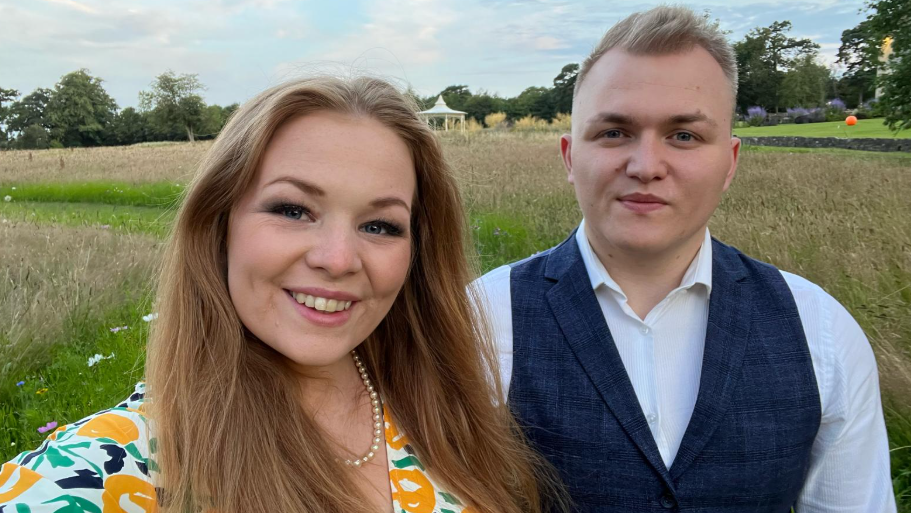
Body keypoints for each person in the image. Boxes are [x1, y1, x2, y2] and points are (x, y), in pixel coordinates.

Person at [0, 77, 561, 513]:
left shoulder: (453, 419)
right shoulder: (116, 464)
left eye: (381, 225)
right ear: (219, 226)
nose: (338, 259)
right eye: (293, 210)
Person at [475, 6, 896, 512]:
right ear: (569, 156)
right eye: (614, 132)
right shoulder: (478, 320)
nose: (647, 166)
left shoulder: (822, 331)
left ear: (730, 163)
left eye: (684, 136)